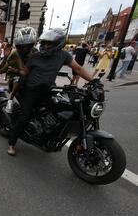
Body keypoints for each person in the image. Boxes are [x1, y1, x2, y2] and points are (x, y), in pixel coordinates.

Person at [7, 28, 95, 156]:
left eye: (49, 43)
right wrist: (14, 91)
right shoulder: (35, 56)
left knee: (59, 110)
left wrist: (94, 81)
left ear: (58, 44)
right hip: (31, 91)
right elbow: (24, 74)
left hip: (49, 89)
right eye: (43, 43)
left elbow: (78, 68)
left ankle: (48, 135)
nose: (45, 46)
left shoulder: (64, 55)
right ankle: (11, 143)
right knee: (24, 116)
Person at [0, 27, 38, 100]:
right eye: (22, 46)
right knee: (18, 79)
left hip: (32, 82)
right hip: (16, 83)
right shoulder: (14, 53)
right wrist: (5, 58)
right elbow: (0, 71)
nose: (25, 49)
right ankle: (10, 100)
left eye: (28, 46)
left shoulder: (36, 52)